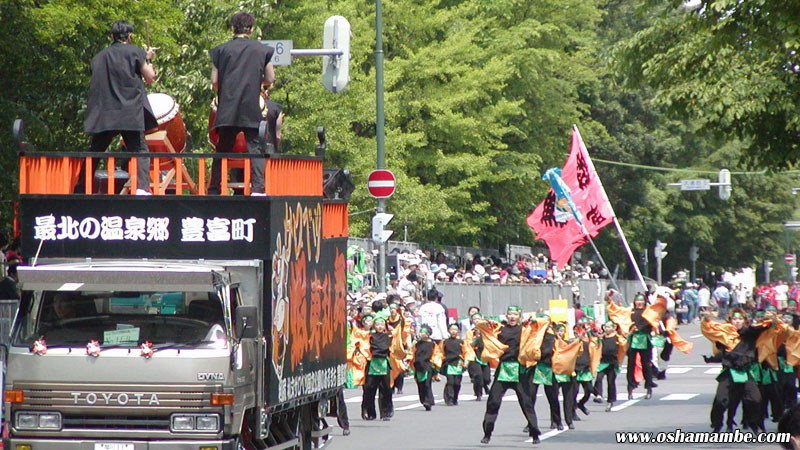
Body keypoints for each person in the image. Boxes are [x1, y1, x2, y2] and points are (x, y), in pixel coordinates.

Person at [80, 20, 155, 195]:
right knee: (140, 150)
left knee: (95, 151)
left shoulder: (99, 57)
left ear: (111, 36)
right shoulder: (135, 52)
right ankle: (142, 189)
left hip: (105, 112)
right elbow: (150, 77)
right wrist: (148, 60)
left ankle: (80, 188)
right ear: (129, 36)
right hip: (129, 111)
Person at [208, 12, 275, 195]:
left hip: (228, 105)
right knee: (255, 146)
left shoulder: (220, 50)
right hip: (250, 105)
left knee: (222, 148)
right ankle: (258, 189)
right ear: (251, 29)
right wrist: (257, 83)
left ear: (232, 29)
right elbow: (270, 78)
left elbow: (214, 82)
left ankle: (214, 189)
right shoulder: (262, 50)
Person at [476, 306, 549, 445]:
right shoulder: (500, 328)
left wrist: (532, 320)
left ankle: (534, 433)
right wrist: (488, 324)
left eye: (515, 314)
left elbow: (545, 321)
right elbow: (480, 326)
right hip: (503, 369)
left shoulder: (525, 329)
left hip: (519, 371)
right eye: (510, 314)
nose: (512, 317)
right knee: (493, 402)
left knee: (526, 403)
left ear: (519, 316)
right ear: (506, 315)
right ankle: (487, 433)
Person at [701, 307, 772, 433]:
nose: (737, 321)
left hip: (746, 371)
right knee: (721, 400)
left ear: (744, 320)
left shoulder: (750, 333)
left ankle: (754, 423)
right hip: (730, 371)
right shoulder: (725, 334)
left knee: (755, 399)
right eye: (734, 319)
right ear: (730, 320)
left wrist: (771, 319)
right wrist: (706, 318)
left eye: (740, 319)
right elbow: (710, 331)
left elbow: (765, 328)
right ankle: (717, 424)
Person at [408, 325, 442, 411]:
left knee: (427, 384)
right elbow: (411, 353)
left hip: (427, 366)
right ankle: (423, 400)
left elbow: (437, 354)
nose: (421, 334)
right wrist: (408, 359)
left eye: (423, 332)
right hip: (418, 366)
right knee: (420, 385)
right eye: (420, 332)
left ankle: (428, 401)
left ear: (428, 334)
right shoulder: (416, 344)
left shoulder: (432, 344)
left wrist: (434, 363)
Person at [465, 312, 491, 400]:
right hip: (474, 355)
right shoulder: (470, 332)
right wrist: (476, 338)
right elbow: (469, 344)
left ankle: (485, 385)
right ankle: (478, 393)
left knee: (486, 377)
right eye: (474, 319)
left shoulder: (487, 331)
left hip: (484, 355)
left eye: (478, 319)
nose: (476, 321)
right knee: (478, 375)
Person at [442, 323, 467, 406]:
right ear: (449, 331)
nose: (453, 331)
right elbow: (440, 353)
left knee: (457, 383)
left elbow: (467, 352)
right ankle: (449, 398)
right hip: (449, 363)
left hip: (458, 363)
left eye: (455, 329)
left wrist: (466, 362)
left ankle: (455, 397)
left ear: (459, 331)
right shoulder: (445, 342)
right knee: (450, 382)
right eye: (452, 329)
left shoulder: (461, 342)